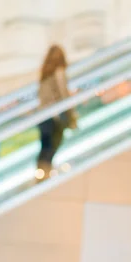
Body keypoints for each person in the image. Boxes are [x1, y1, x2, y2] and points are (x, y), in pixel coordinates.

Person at [36, 44, 78, 182]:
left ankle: (41, 174)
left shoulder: (45, 73)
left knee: (45, 146)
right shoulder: (59, 72)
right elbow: (63, 94)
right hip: (54, 115)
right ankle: (45, 175)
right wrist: (70, 114)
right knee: (53, 144)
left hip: (43, 115)